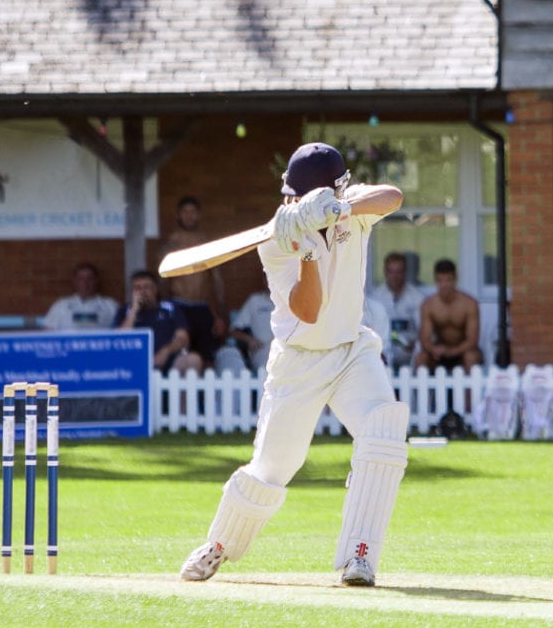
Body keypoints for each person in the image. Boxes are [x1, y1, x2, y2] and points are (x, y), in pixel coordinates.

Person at [181, 143, 409, 589]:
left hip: (351, 350)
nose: (291, 202)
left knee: (384, 432)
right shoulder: (277, 239)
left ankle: (360, 555)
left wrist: (340, 208)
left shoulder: (353, 207)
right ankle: (220, 545)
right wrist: (306, 250)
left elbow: (393, 195)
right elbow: (307, 310)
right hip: (298, 360)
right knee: (272, 467)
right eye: (291, 195)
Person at [161, 196, 223, 336]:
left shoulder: (206, 242)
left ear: (198, 215)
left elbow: (217, 280)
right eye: (185, 212)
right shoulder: (171, 243)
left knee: (206, 353)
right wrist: (164, 310)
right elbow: (163, 280)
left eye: (193, 211)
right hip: (178, 305)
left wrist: (220, 314)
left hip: (202, 305)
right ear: (178, 214)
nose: (189, 216)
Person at [124, 270, 204, 373]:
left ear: (155, 289)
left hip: (168, 362)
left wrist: (166, 351)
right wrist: (134, 309)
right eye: (138, 288)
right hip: (134, 364)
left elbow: (183, 338)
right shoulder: (125, 311)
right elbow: (119, 338)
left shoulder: (170, 309)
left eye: (146, 287)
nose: (142, 292)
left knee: (193, 359)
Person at [417, 258, 484, 372]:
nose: (444, 285)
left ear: (455, 280)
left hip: (463, 351)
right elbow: (425, 339)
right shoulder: (428, 305)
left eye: (448, 280)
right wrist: (434, 349)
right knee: (421, 358)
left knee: (471, 357)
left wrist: (452, 351)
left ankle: (471, 390)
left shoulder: (469, 304)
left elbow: (472, 340)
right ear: (435, 281)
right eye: (440, 280)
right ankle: (427, 390)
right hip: (439, 352)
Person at [371, 251, 425, 368]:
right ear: (385, 272)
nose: (395, 276)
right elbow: (371, 329)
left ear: (405, 272)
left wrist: (415, 344)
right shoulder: (376, 298)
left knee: (422, 354)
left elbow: (423, 327)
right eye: (391, 271)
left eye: (399, 272)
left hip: (409, 350)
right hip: (384, 349)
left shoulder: (417, 297)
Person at [42, 262, 120, 331]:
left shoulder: (110, 305)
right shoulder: (61, 305)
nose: (85, 283)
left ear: (96, 281)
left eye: (90, 279)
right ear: (75, 281)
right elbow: (48, 331)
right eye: (81, 279)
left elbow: (122, 331)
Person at [221, 286, 275, 374]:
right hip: (262, 350)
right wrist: (250, 340)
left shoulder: (291, 301)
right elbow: (233, 331)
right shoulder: (255, 301)